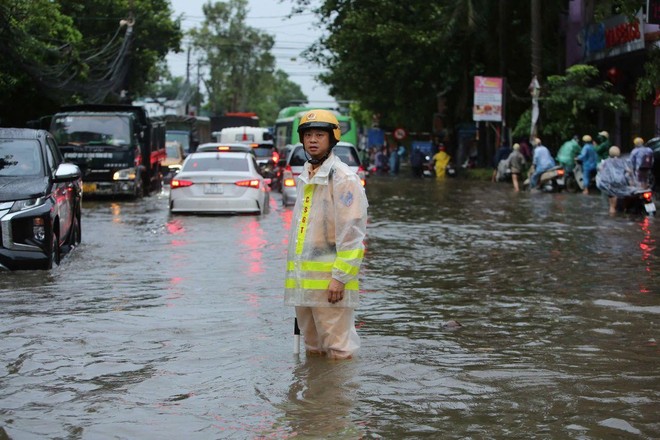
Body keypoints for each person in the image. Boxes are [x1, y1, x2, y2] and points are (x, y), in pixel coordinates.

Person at [284, 109, 368, 360]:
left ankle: (338, 399)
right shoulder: (306, 177)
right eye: (308, 134)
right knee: (314, 350)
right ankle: (315, 399)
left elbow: (352, 231)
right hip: (304, 284)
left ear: (332, 138)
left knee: (339, 350)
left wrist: (340, 277)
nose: (312, 140)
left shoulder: (342, 178)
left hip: (331, 284)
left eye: (319, 134)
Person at [596, 145, 635, 214]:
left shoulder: (605, 162)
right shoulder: (622, 161)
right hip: (621, 183)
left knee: (612, 206)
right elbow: (629, 171)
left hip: (611, 184)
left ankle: (612, 219)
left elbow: (600, 169)